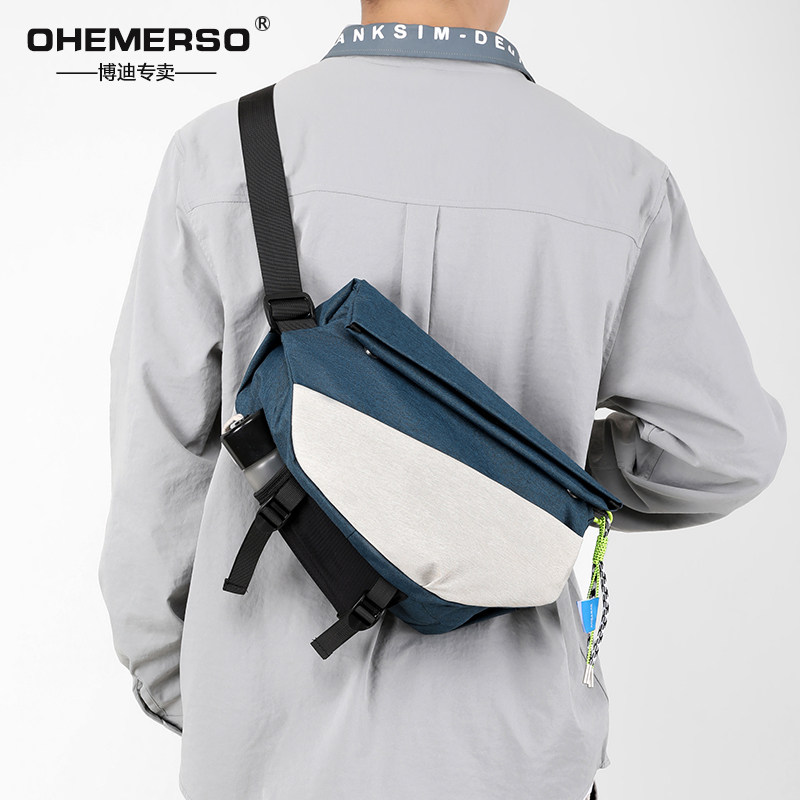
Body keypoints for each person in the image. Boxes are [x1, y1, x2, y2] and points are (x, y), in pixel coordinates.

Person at [98, 2, 787, 799]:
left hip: (271, 748)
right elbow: (726, 448)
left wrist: (201, 696)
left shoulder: (221, 154)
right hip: (514, 751)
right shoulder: (619, 180)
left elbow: (158, 473)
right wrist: (530, 479)